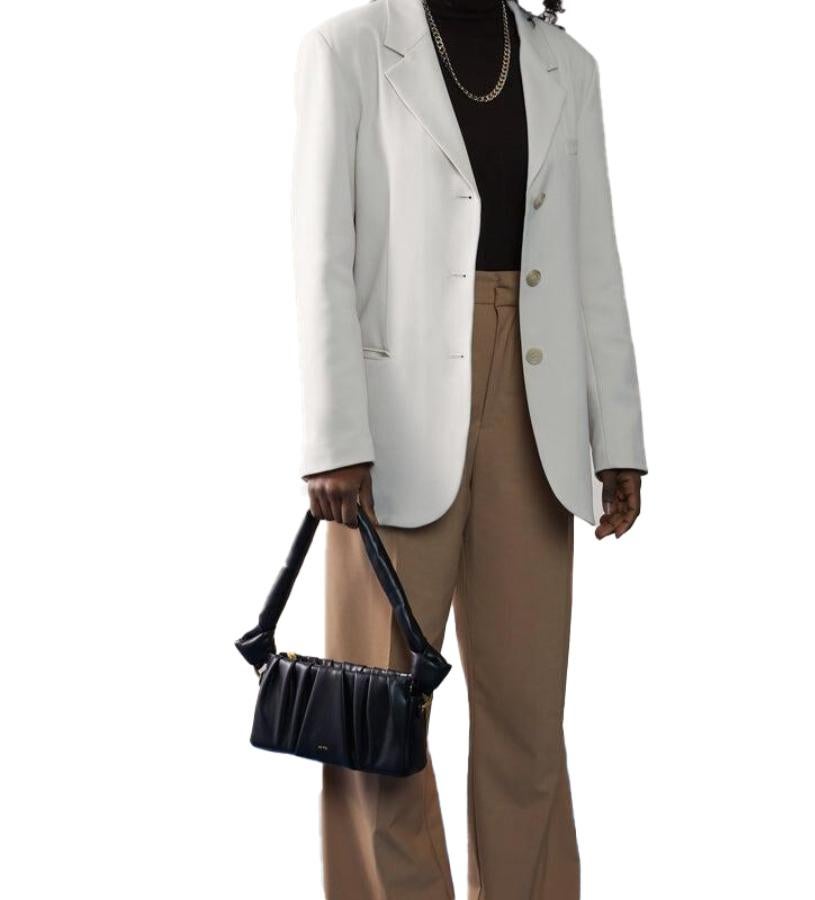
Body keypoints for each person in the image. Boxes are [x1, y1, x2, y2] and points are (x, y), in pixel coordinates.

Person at [292, 0, 647, 896]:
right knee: (378, 716)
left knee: (528, 717)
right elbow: (322, 254)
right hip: (391, 422)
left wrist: (618, 435)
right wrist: (334, 435)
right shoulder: (346, 49)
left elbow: (594, 258)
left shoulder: (568, 66)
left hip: (538, 402)